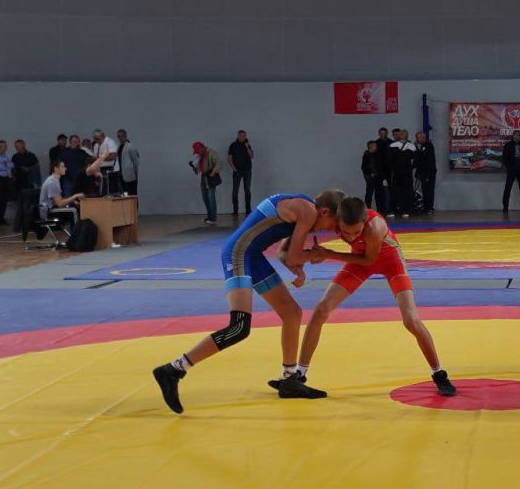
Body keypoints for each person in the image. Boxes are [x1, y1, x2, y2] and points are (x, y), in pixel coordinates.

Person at [152, 190, 347, 414]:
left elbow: (284, 254)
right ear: (325, 212)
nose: (329, 230)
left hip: (252, 256)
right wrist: (323, 254)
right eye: (332, 225)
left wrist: (298, 268)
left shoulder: (306, 211)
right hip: (238, 253)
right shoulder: (307, 211)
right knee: (239, 327)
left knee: (292, 313)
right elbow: (294, 256)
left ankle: (289, 379)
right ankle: (174, 369)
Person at [268, 196, 457, 398]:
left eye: (356, 232)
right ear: (337, 220)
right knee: (321, 310)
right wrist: (289, 254)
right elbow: (299, 228)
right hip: (358, 261)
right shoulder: (333, 217)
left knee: (411, 320)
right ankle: (300, 374)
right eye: (345, 232)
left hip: (389, 262)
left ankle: (439, 373)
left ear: (364, 221)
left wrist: (329, 254)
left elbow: (369, 260)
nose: (350, 237)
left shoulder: (375, 227)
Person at [39, 159, 84, 229]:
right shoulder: (52, 182)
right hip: (48, 212)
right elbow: (59, 203)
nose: (65, 168)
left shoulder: (55, 180)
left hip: (52, 209)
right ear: (56, 169)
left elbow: (59, 200)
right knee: (73, 211)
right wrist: (75, 196)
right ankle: (75, 234)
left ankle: (74, 231)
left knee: (74, 207)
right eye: (63, 167)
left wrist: (72, 201)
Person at [190, 142, 220, 224]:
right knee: (205, 198)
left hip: (210, 177)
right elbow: (199, 169)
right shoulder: (200, 155)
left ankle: (213, 218)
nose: (197, 153)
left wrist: (213, 172)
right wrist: (194, 167)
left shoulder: (211, 152)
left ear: (201, 147)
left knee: (211, 198)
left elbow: (219, 163)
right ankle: (209, 216)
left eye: (198, 151)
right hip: (203, 177)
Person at [501, 130, 520, 212]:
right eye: (517, 135)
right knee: (508, 188)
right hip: (512, 169)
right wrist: (509, 167)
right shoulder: (508, 145)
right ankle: (505, 206)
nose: (519, 137)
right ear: (513, 136)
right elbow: (505, 158)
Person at [389, 130, 416, 218]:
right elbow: (388, 159)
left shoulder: (411, 146)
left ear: (407, 135)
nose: (403, 135)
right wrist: (393, 168)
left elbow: (416, 159)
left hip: (407, 173)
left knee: (406, 192)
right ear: (398, 135)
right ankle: (393, 210)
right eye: (401, 134)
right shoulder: (393, 145)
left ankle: (405, 210)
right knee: (395, 191)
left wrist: (410, 167)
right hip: (396, 173)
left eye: (405, 134)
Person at [228, 130, 254, 216]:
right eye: (242, 135)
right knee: (235, 191)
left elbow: (251, 156)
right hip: (237, 171)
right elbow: (229, 158)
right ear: (238, 136)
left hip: (247, 171)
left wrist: (247, 147)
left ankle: (248, 210)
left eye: (244, 136)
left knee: (247, 190)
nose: (243, 137)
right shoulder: (233, 145)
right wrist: (233, 168)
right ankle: (235, 210)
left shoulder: (247, 145)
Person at [414, 131, 437, 214]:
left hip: (429, 173)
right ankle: (426, 207)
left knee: (429, 190)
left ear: (422, 137)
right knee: (424, 190)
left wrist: (417, 149)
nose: (416, 139)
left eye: (417, 138)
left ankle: (429, 207)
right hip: (423, 173)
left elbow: (426, 160)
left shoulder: (428, 145)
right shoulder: (422, 146)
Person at [116, 129, 140, 196]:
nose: (121, 138)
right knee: (125, 195)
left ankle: (134, 204)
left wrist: (135, 174)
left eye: (122, 136)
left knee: (132, 194)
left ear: (126, 136)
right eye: (119, 136)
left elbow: (136, 162)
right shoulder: (119, 147)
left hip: (130, 176)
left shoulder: (130, 147)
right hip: (122, 175)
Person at [362, 140, 378, 209]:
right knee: (369, 192)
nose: (376, 147)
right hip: (370, 177)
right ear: (370, 146)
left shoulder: (375, 154)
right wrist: (371, 173)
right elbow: (364, 167)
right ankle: (367, 208)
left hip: (375, 175)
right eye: (375, 146)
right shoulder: (367, 155)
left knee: (374, 192)